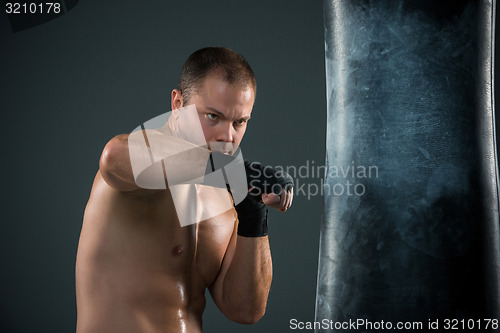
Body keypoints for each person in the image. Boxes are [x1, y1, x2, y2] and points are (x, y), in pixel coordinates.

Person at [75, 47, 294, 333]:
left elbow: (244, 310)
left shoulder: (227, 195)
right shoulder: (140, 161)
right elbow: (112, 157)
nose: (228, 137)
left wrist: (253, 216)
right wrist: (231, 169)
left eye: (239, 122)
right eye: (213, 116)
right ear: (178, 103)